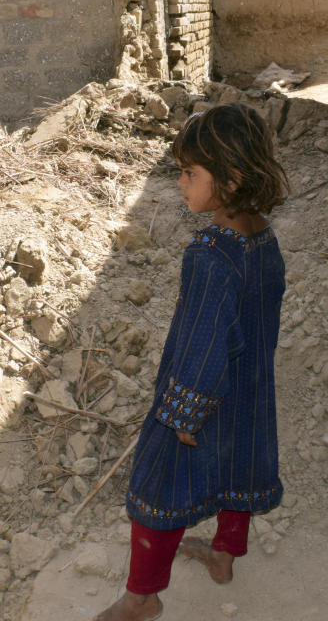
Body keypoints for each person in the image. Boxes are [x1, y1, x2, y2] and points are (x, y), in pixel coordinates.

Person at [94, 102, 290, 621]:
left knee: (159, 485)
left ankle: (142, 598)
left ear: (231, 178)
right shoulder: (263, 237)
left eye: (189, 173)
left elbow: (205, 338)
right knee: (239, 468)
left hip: (201, 396)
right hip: (249, 389)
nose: (180, 183)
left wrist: (182, 414)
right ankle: (224, 557)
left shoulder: (209, 252)